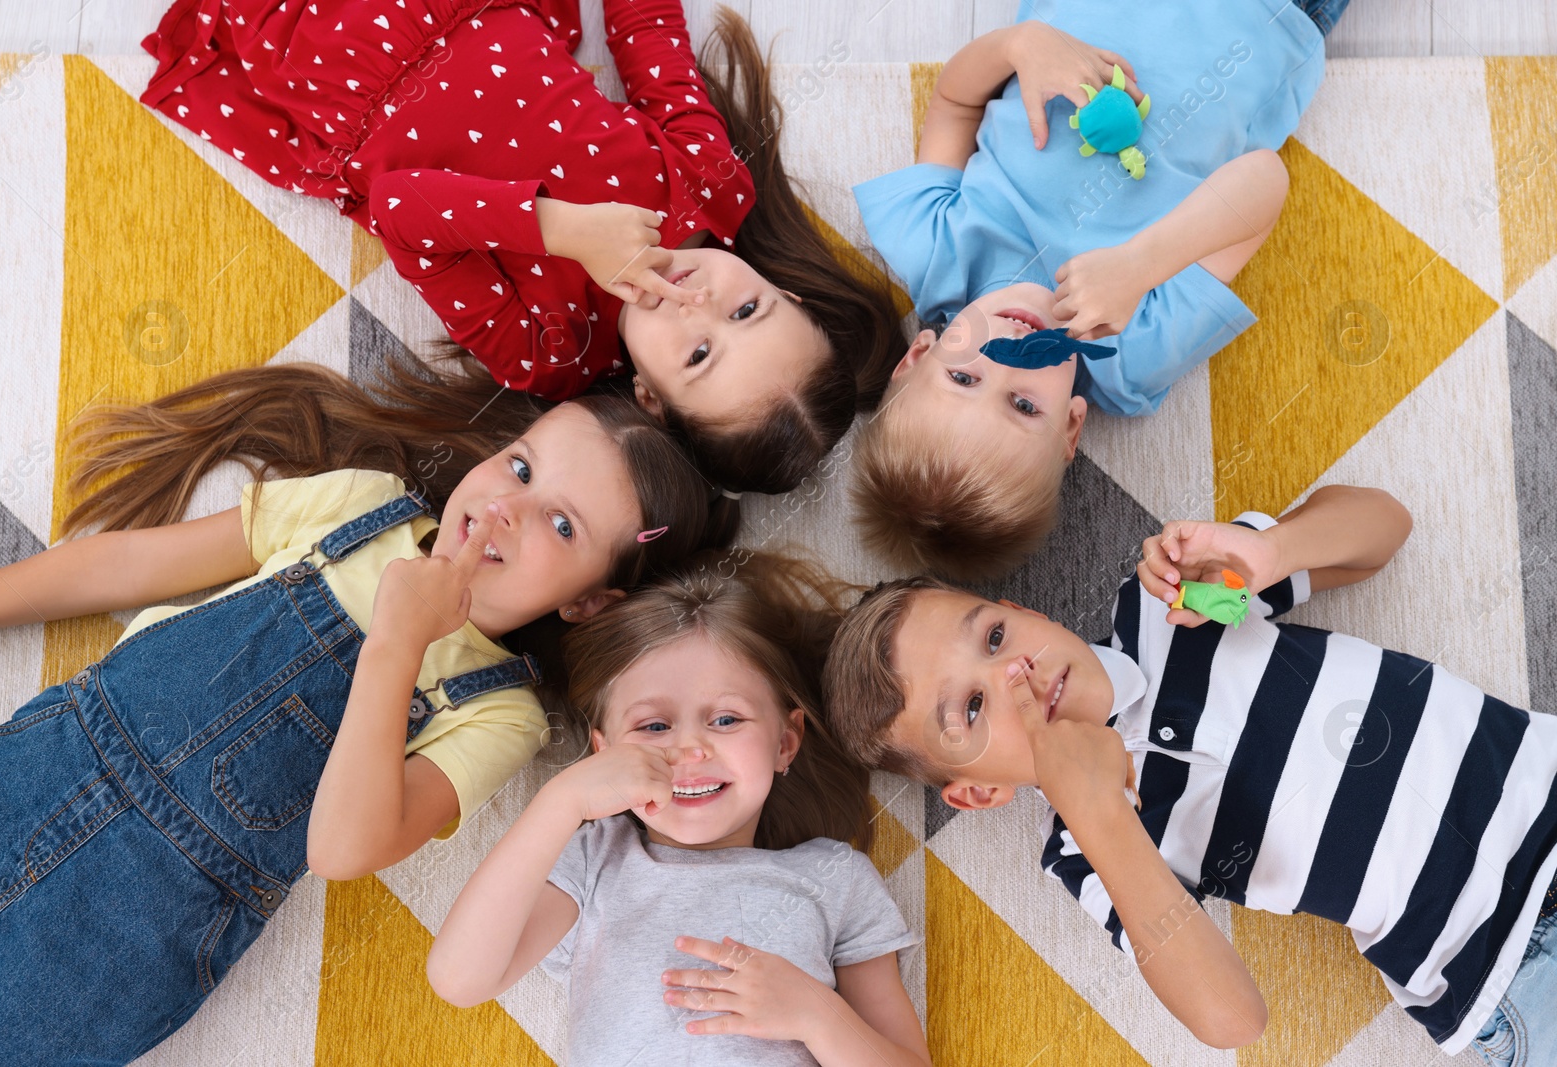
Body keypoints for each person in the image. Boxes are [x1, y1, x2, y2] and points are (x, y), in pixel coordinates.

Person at [0, 353, 731, 1065]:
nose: (505, 511)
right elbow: (127, 565)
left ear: (590, 600)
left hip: (144, 924)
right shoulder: (365, 508)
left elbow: (341, 847)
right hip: (43, 759)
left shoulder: (500, 715)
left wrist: (396, 643)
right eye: (519, 467)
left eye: (562, 526)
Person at [822, 483, 1557, 1062]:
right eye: (973, 706)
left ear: (1020, 608)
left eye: (992, 635)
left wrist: (1272, 550)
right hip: (1498, 958)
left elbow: (1385, 525)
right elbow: (1233, 1018)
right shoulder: (1088, 849)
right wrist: (1102, 815)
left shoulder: (1168, 606)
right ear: (978, 793)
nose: (1014, 670)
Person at [138, 0, 907, 493]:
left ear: (649, 397)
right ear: (786, 291)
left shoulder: (545, 350)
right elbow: (647, 39)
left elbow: (399, 205)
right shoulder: (709, 188)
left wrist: (567, 229)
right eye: (748, 309)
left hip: (335, 69)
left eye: (699, 355)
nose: (701, 303)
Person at [849, 0, 1343, 579]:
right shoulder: (1130, 357)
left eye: (964, 377)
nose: (1009, 355)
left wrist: (1020, 45)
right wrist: (1141, 266)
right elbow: (1265, 179)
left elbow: (954, 103)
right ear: (1070, 426)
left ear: (917, 356)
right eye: (1024, 405)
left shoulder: (932, 251)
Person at [429, 553, 931, 1066]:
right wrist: (563, 800)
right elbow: (460, 979)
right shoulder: (594, 861)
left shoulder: (835, 877)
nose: (689, 750)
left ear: (785, 743)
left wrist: (817, 1013)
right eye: (654, 727)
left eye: (727, 719)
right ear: (604, 754)